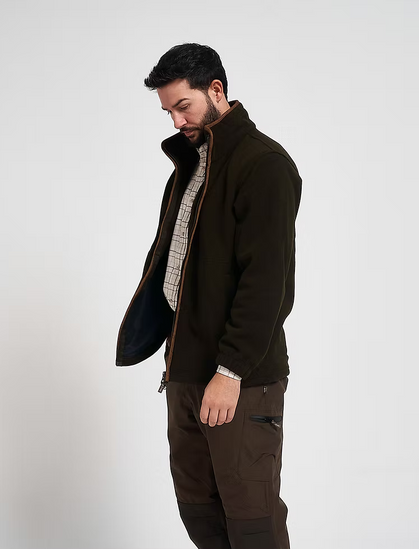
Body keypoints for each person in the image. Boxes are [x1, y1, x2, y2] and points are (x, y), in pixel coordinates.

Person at [116, 43, 302, 549]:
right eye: (168, 112)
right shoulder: (191, 165)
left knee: (251, 521)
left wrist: (230, 371)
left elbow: (269, 283)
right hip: (184, 369)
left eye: (184, 106)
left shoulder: (263, 165)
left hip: (240, 378)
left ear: (215, 90)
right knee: (198, 510)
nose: (177, 121)